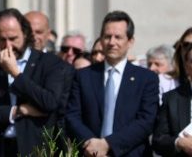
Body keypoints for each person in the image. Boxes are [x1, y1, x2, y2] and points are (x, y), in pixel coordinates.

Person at [0, 8, 69, 156]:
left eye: (13, 38)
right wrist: (16, 111)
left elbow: (49, 102)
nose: (8, 45)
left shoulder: (49, 63)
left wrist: (16, 74)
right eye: (1, 40)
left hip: (33, 147)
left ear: (25, 34)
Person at [65, 11, 159, 157]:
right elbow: (72, 116)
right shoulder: (83, 76)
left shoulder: (146, 78)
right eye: (107, 36)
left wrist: (107, 144)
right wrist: (93, 146)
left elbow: (146, 121)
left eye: (118, 37)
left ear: (130, 41)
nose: (112, 42)